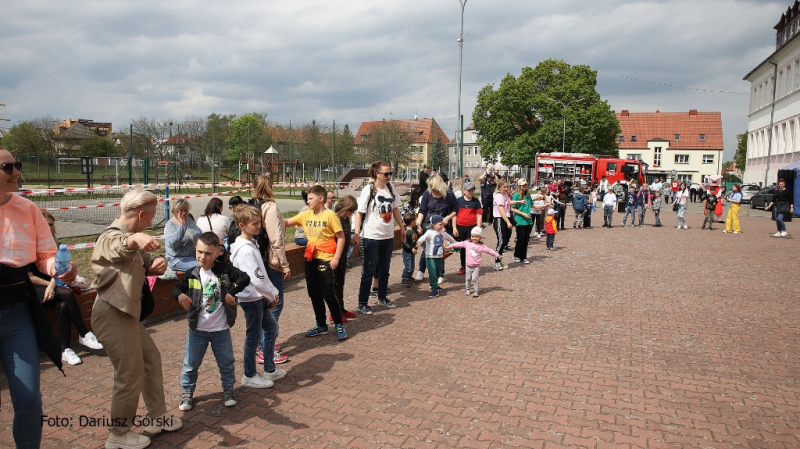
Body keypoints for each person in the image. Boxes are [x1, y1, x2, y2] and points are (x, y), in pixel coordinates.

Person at [91, 189, 182, 448]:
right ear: (141, 214)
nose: (152, 222)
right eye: (151, 217)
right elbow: (116, 247)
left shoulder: (132, 237)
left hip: (127, 314)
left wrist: (157, 262)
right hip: (112, 312)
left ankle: (158, 417)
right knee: (129, 374)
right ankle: (118, 435)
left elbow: (143, 259)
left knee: (151, 360)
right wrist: (134, 241)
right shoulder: (111, 235)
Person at [0, 149, 69, 449]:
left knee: (28, 397)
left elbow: (46, 256)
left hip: (17, 314)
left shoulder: (28, 209)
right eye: (7, 167)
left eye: (18, 164)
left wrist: (59, 267)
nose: (16, 172)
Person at [173, 232, 251, 411]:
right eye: (199, 252)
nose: (202, 257)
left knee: (226, 362)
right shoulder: (192, 273)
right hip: (197, 330)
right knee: (190, 364)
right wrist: (181, 295)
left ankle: (229, 389)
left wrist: (232, 291)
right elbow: (176, 289)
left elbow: (244, 278)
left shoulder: (224, 270)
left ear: (217, 252)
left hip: (220, 330)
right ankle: (187, 392)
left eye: (208, 253)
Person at [29, 211, 103, 366]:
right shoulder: (29, 244)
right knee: (67, 293)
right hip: (34, 287)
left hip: (53, 286)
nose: (48, 228)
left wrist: (53, 284)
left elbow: (60, 271)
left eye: (51, 224)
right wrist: (50, 285)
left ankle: (66, 350)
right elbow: (30, 277)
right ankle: (84, 332)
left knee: (63, 306)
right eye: (44, 225)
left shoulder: (56, 244)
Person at [229, 205, 286, 392]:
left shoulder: (251, 244)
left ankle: (269, 368)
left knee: (270, 330)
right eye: (254, 223)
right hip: (252, 298)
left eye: (259, 222)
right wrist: (273, 294)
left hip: (258, 296)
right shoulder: (245, 250)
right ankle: (249, 374)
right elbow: (257, 278)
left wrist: (269, 293)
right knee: (253, 336)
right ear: (241, 225)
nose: (259, 226)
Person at [285, 185, 348, 340]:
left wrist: (336, 258)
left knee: (328, 292)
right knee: (313, 293)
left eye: (311, 198)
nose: (308, 201)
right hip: (310, 258)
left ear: (321, 199)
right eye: (307, 198)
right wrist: (268, 211)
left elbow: (341, 237)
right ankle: (321, 325)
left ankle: (339, 323)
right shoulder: (306, 214)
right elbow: (286, 222)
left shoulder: (330, 216)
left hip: (326, 258)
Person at [354, 161, 404, 314]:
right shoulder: (369, 190)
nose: (389, 176)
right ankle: (362, 302)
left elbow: (395, 208)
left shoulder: (390, 187)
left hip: (387, 236)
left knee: (384, 269)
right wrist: (356, 233)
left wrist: (402, 227)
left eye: (390, 173)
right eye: (386, 174)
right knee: (369, 270)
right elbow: (359, 212)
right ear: (377, 174)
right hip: (371, 236)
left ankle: (382, 297)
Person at [252, 175, 291, 365]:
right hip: (271, 262)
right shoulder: (270, 206)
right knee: (275, 304)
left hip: (256, 261)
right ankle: (265, 347)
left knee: (262, 304)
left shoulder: (253, 205)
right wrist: (284, 264)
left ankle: (260, 344)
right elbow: (276, 239)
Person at [414, 175, 457, 283]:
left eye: (434, 187)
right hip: (429, 225)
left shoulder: (449, 194)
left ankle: (440, 273)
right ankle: (421, 270)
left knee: (440, 249)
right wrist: (418, 223)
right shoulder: (427, 193)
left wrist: (447, 218)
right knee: (426, 249)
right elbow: (422, 210)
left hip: (443, 226)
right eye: (431, 187)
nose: (432, 189)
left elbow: (455, 210)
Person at [447, 227, 500, 297]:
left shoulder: (481, 246)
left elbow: (489, 250)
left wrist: (497, 255)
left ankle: (476, 291)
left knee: (475, 278)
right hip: (468, 265)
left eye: (476, 237)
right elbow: (459, 244)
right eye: (473, 236)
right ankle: (467, 289)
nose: (474, 238)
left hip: (476, 266)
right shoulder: (467, 243)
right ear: (470, 236)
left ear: (480, 237)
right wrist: (450, 246)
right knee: (468, 278)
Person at [416, 214, 456, 298]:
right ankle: (434, 289)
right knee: (432, 272)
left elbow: (450, 238)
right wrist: (417, 244)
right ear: (434, 224)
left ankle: (436, 285)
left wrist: (456, 244)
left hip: (439, 256)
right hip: (430, 256)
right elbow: (422, 238)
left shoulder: (442, 232)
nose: (442, 226)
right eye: (440, 224)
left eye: (442, 224)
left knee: (438, 272)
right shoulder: (429, 232)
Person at [333, 195, 358, 320]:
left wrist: (350, 241)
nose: (351, 214)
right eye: (351, 211)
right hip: (335, 258)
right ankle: (335, 312)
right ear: (345, 208)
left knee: (340, 283)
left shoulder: (345, 219)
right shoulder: (336, 219)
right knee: (334, 285)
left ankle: (340, 308)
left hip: (343, 258)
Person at [164, 198, 202, 272]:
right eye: (180, 210)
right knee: (201, 268)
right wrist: (182, 226)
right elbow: (172, 244)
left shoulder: (189, 220)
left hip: (195, 255)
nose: (183, 213)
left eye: (185, 210)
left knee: (213, 264)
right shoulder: (170, 225)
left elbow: (198, 233)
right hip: (178, 259)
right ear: (175, 211)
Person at [453, 181, 483, 275]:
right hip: (460, 227)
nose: (471, 192)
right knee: (463, 248)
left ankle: (472, 265)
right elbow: (454, 215)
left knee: (472, 247)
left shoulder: (476, 201)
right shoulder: (458, 201)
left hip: (472, 227)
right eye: (469, 190)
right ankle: (463, 266)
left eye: (472, 190)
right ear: (464, 191)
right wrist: (454, 227)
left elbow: (479, 215)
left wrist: (478, 228)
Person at [491, 179, 514, 271]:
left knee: (505, 241)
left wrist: (519, 201)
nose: (506, 188)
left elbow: (508, 203)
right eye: (504, 187)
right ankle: (496, 261)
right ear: (500, 187)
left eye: (507, 186)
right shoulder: (498, 196)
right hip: (500, 219)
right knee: (501, 241)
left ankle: (499, 259)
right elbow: (501, 209)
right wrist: (508, 222)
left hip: (506, 218)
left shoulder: (505, 196)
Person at [511, 178, 533, 264]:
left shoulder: (528, 195)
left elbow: (532, 205)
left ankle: (523, 257)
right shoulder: (516, 195)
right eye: (523, 185)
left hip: (528, 220)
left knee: (526, 240)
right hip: (520, 220)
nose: (525, 186)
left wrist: (543, 206)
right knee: (520, 239)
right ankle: (517, 255)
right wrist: (522, 214)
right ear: (519, 186)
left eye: (526, 184)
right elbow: (513, 208)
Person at [400, 213, 418, 288]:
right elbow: (405, 243)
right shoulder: (407, 232)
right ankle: (405, 279)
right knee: (408, 267)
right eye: (415, 220)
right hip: (407, 253)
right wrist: (412, 248)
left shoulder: (414, 230)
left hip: (412, 253)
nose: (416, 221)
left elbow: (414, 239)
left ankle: (409, 277)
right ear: (412, 222)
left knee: (412, 266)